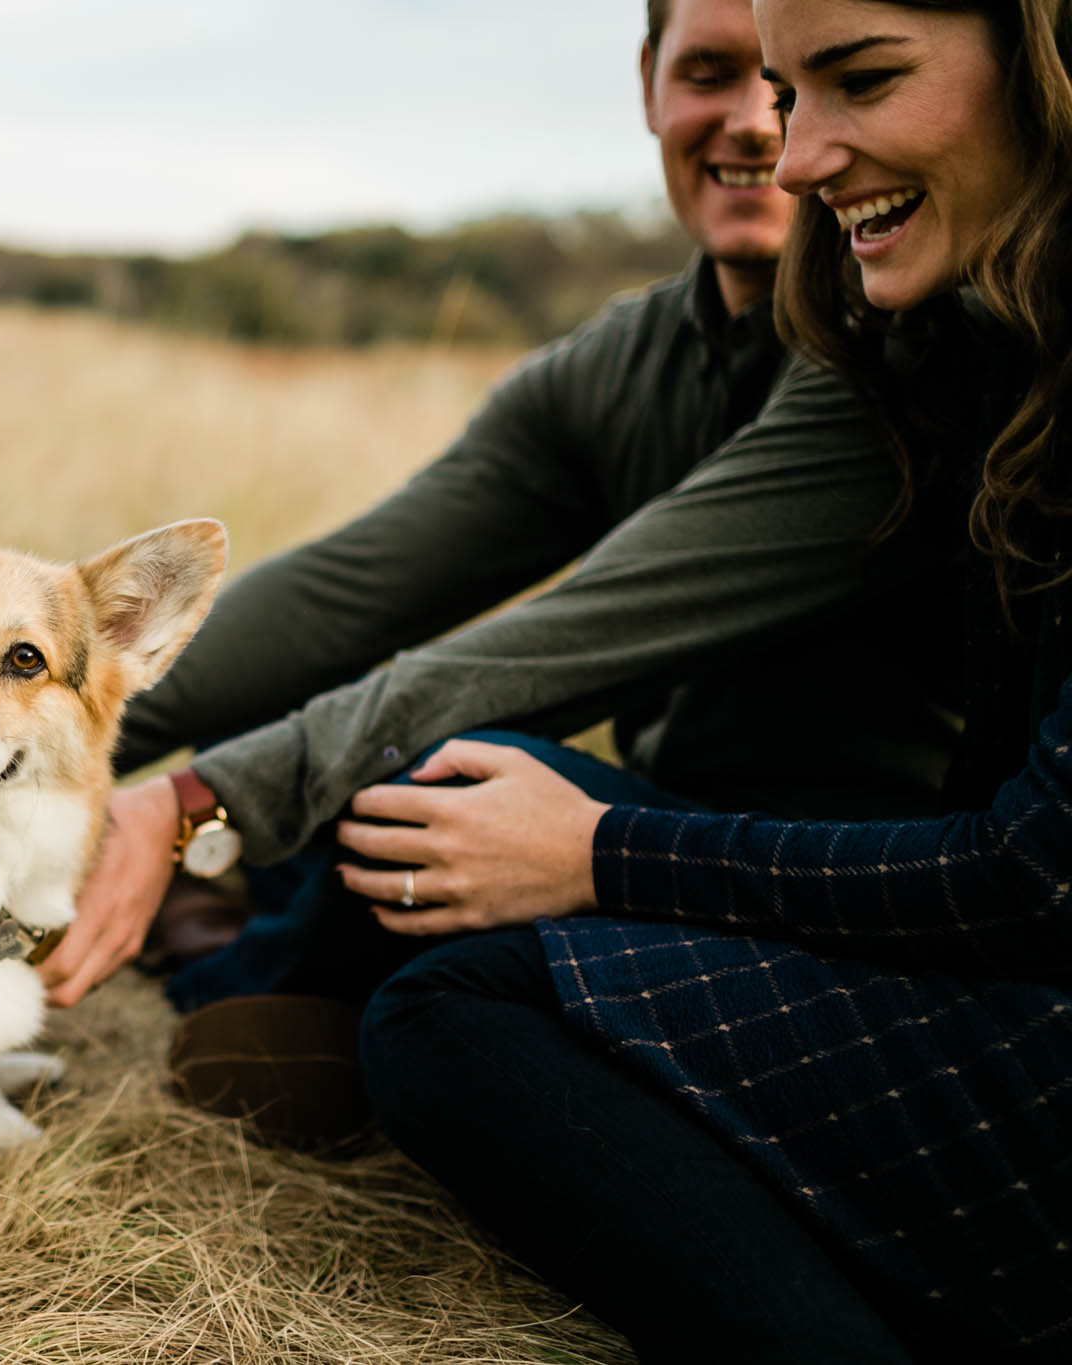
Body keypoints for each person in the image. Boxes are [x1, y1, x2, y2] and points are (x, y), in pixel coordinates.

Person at [346, 0, 1072, 1358]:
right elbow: (367, 587)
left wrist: (611, 858)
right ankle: (242, 966)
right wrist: (187, 789)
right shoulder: (979, 351)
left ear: (1048, 63)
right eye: (791, 95)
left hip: (1000, 975)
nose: (793, 154)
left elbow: (1036, 877)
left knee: (453, 1013)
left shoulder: (924, 363)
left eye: (859, 79)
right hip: (957, 928)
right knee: (448, 781)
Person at [38, 0, 964, 1011]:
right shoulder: (617, 361)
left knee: (448, 777)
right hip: (643, 826)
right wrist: (39, 712)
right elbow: (349, 591)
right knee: (354, 763)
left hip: (848, 878)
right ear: (646, 80)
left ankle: (228, 992)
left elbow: (564, 642)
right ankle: (238, 906)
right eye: (708, 72)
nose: (752, 121)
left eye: (795, 87)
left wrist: (184, 804)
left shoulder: (900, 357)